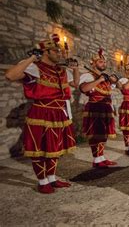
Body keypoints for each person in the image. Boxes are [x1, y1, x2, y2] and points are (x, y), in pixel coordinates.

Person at [5, 34, 79, 194]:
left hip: (59, 113)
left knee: (54, 147)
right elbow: (10, 75)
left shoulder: (60, 70)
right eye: (56, 51)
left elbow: (75, 84)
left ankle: (52, 178)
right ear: (46, 52)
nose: (60, 54)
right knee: (39, 147)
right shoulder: (35, 67)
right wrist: (32, 57)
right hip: (41, 112)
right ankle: (42, 181)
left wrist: (75, 69)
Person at [79, 48, 118, 168]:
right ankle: (96, 159)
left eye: (104, 62)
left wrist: (110, 81)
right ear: (94, 63)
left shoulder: (104, 77)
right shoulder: (88, 75)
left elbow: (108, 92)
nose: (104, 64)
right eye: (101, 62)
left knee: (103, 133)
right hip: (95, 107)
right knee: (96, 133)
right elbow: (84, 89)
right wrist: (99, 79)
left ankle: (101, 157)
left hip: (105, 108)